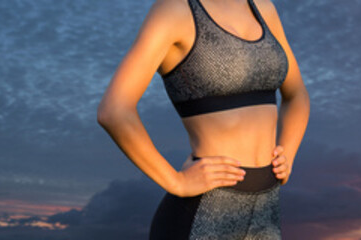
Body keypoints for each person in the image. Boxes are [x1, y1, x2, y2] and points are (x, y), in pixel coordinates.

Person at [95, 0, 308, 238]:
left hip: (267, 210)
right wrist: (177, 182)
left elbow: (297, 94)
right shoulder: (175, 9)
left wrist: (288, 151)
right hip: (203, 213)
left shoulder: (262, 7)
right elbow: (113, 111)